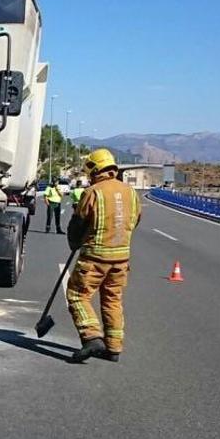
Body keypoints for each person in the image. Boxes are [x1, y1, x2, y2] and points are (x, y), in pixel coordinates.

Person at [65, 149, 141, 363]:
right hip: (121, 260)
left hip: (95, 258)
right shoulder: (131, 192)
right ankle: (114, 348)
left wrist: (74, 243)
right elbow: (135, 221)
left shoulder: (93, 192)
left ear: (94, 169)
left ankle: (91, 337)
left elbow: (78, 223)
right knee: (112, 300)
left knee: (77, 295)